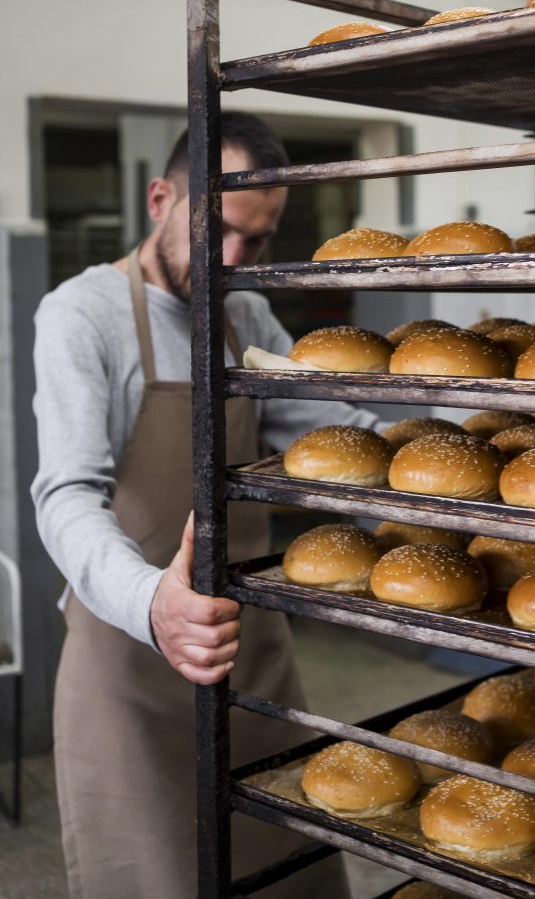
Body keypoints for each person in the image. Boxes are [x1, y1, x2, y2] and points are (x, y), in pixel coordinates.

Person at [31, 112, 385, 898]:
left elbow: (328, 433)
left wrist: (455, 461)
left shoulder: (245, 316)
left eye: (255, 242)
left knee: (283, 868)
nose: (232, 260)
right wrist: (152, 603)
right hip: (129, 659)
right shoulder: (81, 315)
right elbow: (65, 495)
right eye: (217, 230)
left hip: (247, 653)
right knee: (156, 874)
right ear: (160, 198)